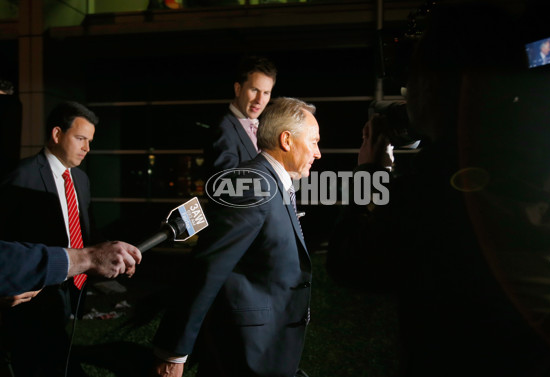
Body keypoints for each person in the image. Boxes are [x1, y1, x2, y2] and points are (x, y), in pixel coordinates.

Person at [328, 3, 550, 377]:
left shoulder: (445, 184)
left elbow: (350, 263)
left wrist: (370, 174)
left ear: (438, 87)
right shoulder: (547, 166)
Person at [150, 97, 321, 377]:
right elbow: (207, 268)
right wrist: (172, 352)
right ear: (287, 140)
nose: (318, 153)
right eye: (313, 142)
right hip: (244, 355)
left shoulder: (276, 185)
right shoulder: (252, 185)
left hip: (268, 347)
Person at [0, 100, 99, 377]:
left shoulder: (82, 179)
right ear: (57, 135)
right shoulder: (21, 176)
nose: (87, 148)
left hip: (69, 288)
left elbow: (84, 228)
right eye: (80, 138)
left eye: (89, 141)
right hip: (32, 294)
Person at [203, 55, 277, 178]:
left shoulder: (263, 129)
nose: (260, 100)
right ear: (238, 89)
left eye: (266, 93)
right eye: (254, 90)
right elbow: (226, 185)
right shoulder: (223, 129)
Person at [0, 240, 142, 299]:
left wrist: (109, 254)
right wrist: (87, 258)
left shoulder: (81, 179)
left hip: (65, 293)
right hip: (29, 296)